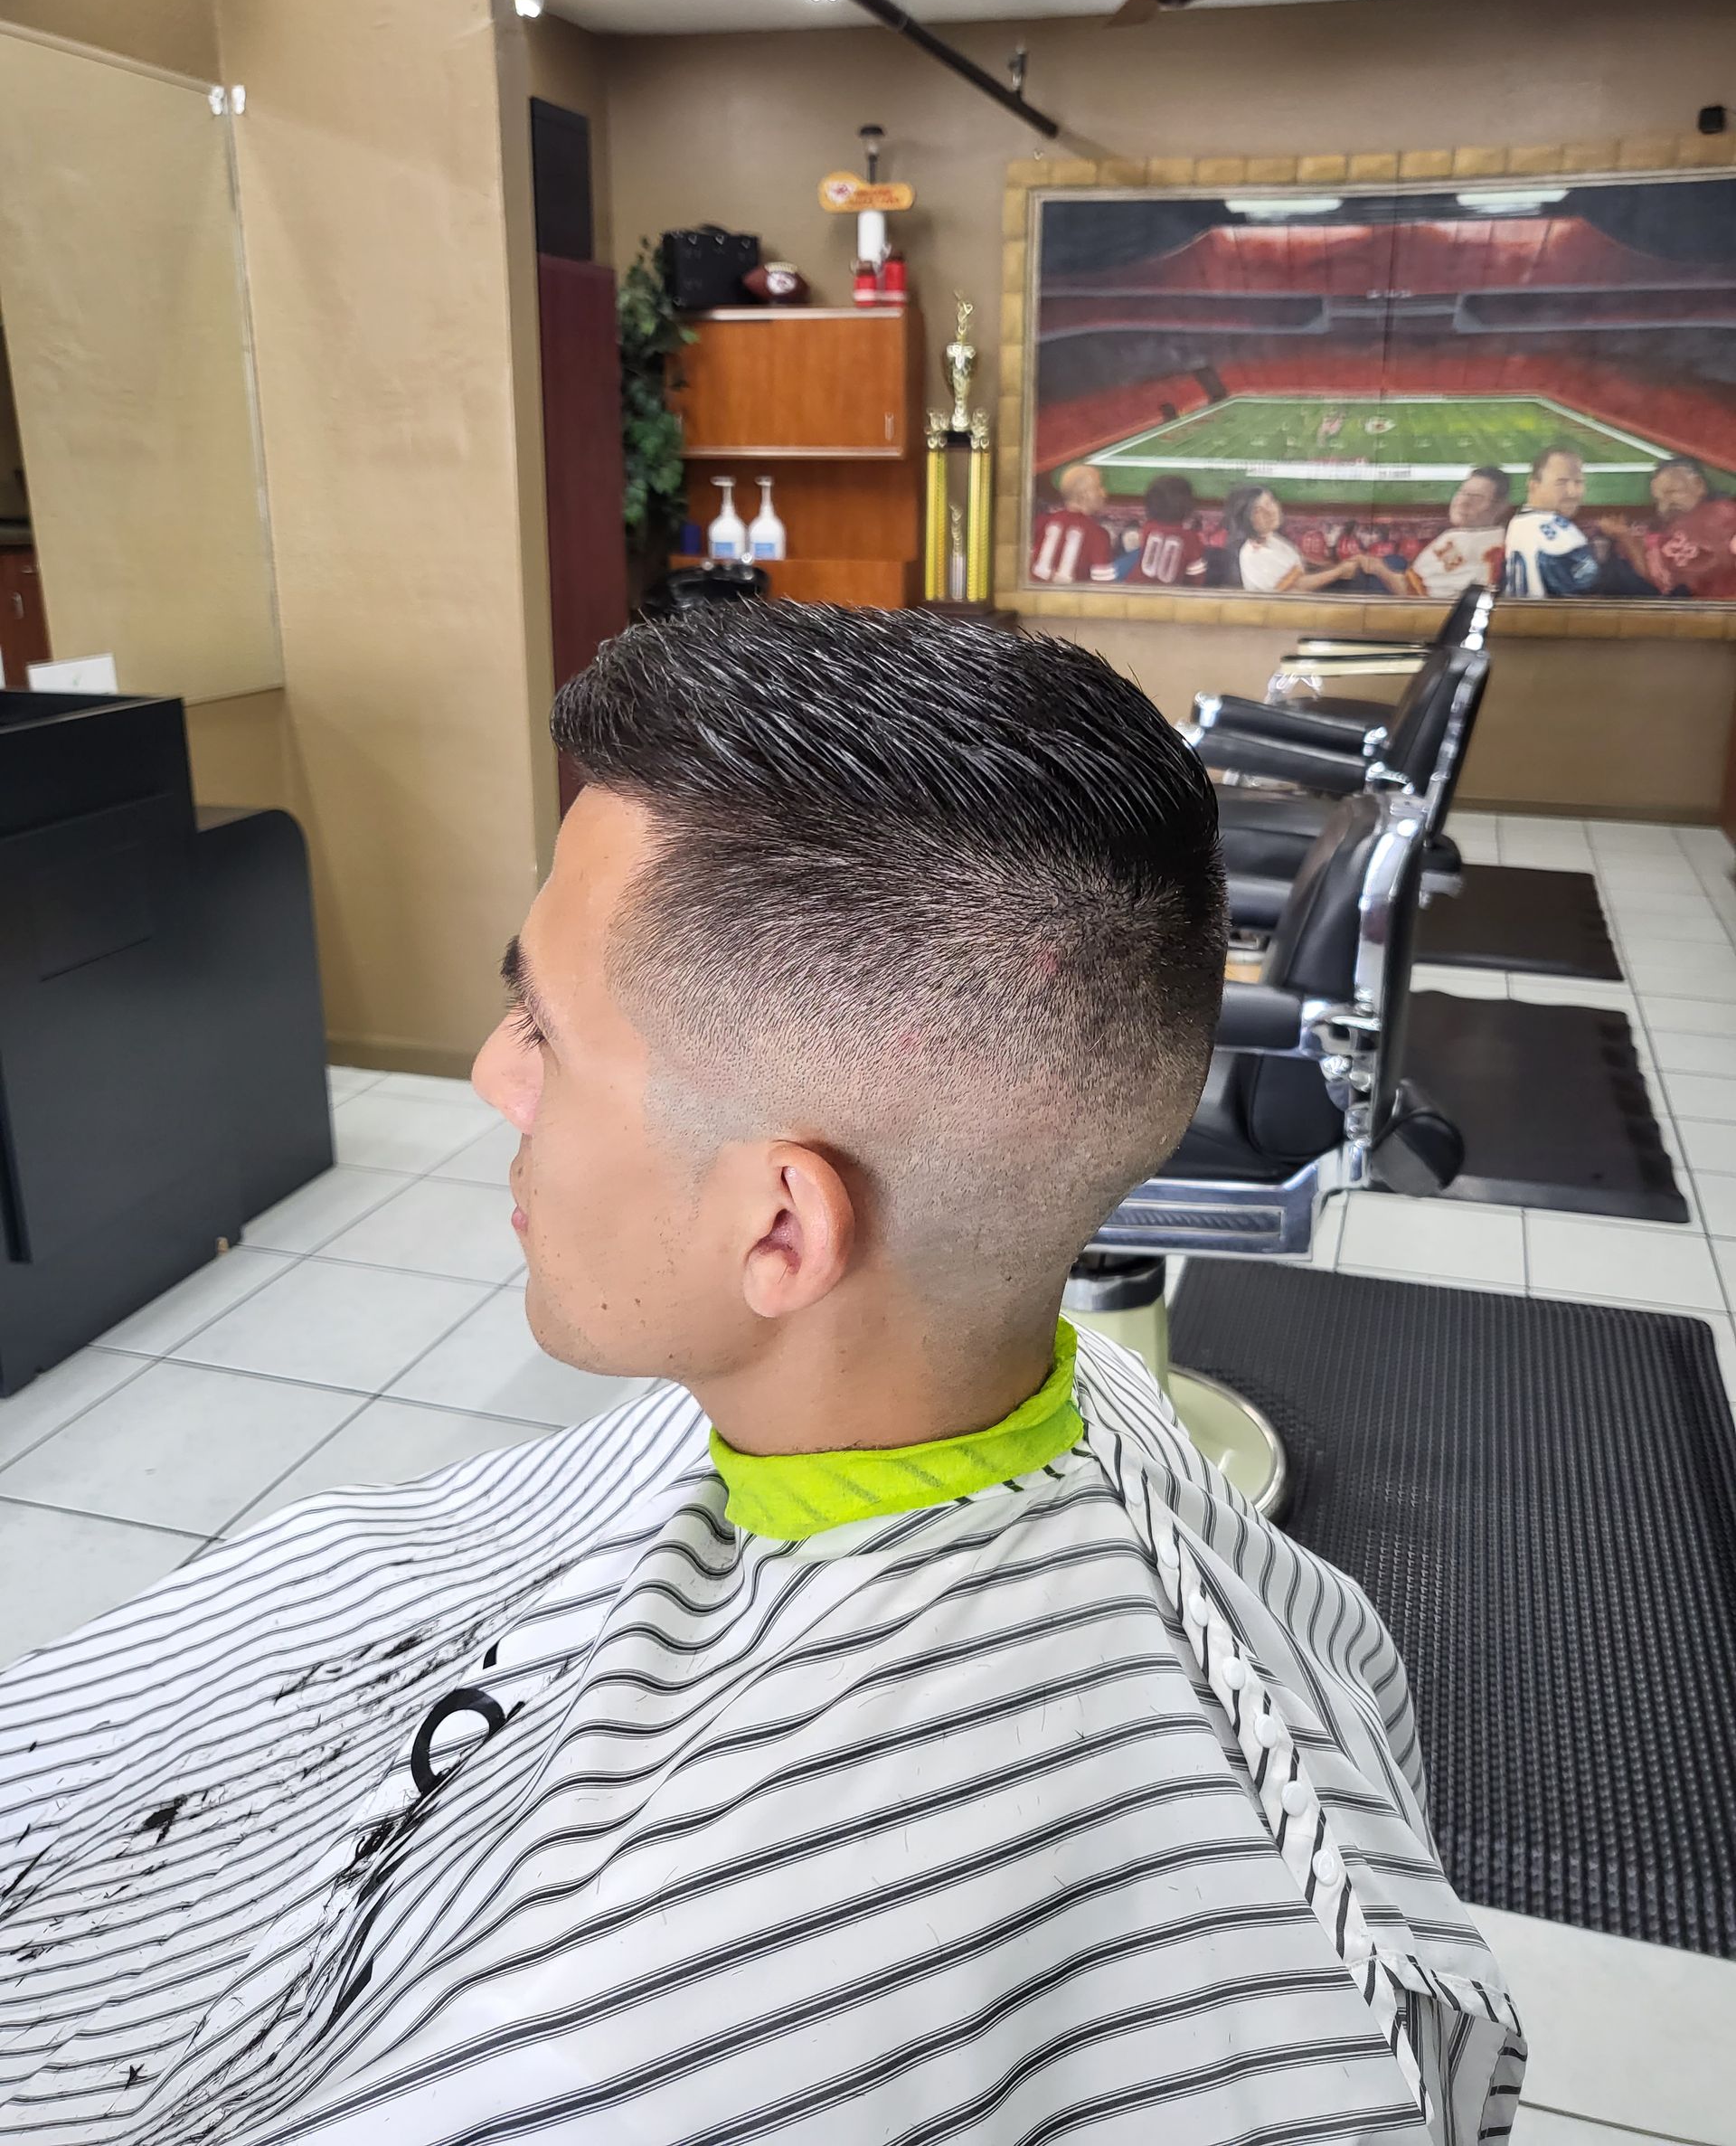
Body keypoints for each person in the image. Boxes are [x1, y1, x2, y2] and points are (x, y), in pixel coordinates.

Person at [0, 604, 1522, 2145]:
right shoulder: (1239, 1565)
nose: (489, 1074)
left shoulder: (636, 2047)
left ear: (781, 1224)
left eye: (546, 1027)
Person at [1355, 467, 1510, 600]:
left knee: (1374, 569)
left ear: (1500, 507)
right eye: (1463, 492)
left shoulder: (1474, 545)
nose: (1463, 501)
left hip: (1428, 620)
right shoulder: (1477, 536)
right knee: (1392, 562)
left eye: (1477, 497)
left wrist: (1379, 568)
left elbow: (1420, 596)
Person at [1608, 457, 1736, 602]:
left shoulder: (1719, 517)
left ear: (1699, 485)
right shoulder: (1687, 522)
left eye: (1672, 492)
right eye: (1659, 499)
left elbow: (1660, 583)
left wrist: (1627, 539)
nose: (1665, 505)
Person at [1223, 480, 1373, 594]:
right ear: (1247, 519)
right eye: (1258, 510)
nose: (1271, 511)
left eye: (1270, 503)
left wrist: (1337, 566)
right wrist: (1338, 572)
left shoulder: (1271, 538)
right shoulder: (1254, 555)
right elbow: (1297, 587)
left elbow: (1298, 565)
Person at [1502, 443, 1600, 599]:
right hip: (1555, 620)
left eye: (1579, 482)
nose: (1573, 492)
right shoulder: (1554, 530)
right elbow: (1588, 590)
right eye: (1561, 482)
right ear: (1534, 485)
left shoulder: (1519, 521)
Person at [1029, 459, 1116, 584]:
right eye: (1098, 487)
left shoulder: (1042, 522)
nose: (1104, 493)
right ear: (1085, 494)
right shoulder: (1097, 535)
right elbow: (1103, 589)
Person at [1120, 472, 1208, 585]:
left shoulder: (1148, 528)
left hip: (1134, 589)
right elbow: (1197, 576)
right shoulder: (1190, 538)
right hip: (1168, 596)